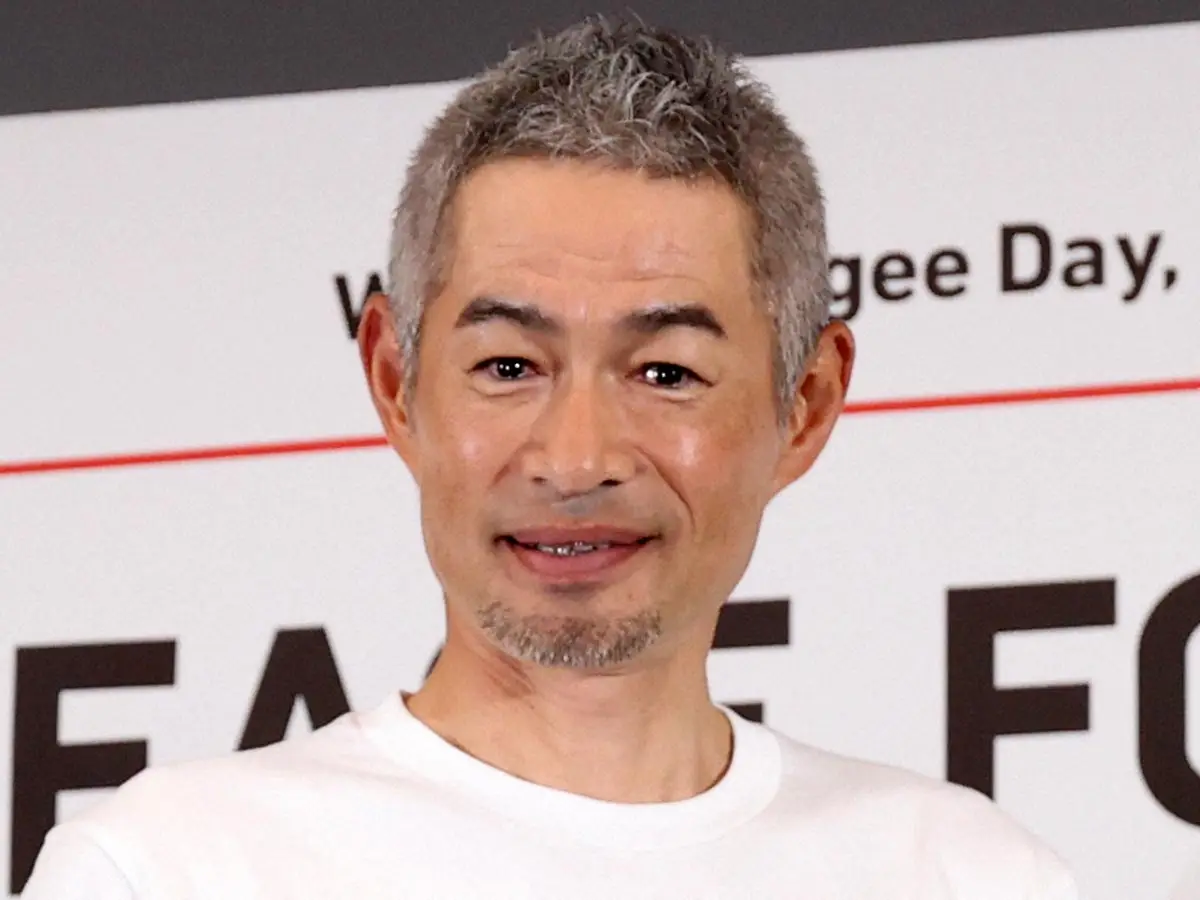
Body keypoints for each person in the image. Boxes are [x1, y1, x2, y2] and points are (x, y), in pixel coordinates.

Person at [23, 17, 1078, 899]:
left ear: (804, 407)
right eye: (509, 366)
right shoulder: (168, 870)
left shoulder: (971, 876)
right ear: (395, 379)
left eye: (664, 372)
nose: (576, 460)